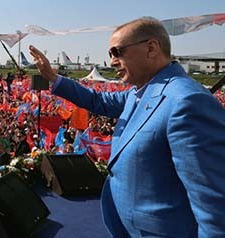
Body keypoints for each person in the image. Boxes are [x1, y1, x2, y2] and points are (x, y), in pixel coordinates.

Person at [29, 17, 225, 237]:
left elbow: (215, 206)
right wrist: (53, 78)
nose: (112, 61)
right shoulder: (138, 92)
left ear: (151, 48)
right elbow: (97, 101)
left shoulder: (187, 102)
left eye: (117, 52)